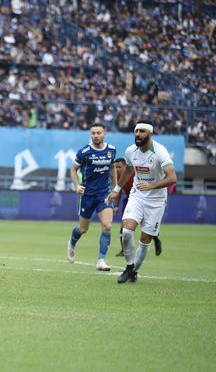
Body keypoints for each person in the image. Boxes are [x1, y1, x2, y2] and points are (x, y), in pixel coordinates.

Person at [106, 120, 177, 283]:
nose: (138, 134)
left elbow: (172, 178)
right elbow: (129, 169)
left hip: (157, 200)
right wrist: (116, 189)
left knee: (145, 240)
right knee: (126, 232)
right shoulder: (131, 151)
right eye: (136, 131)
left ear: (150, 134)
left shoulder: (160, 152)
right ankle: (129, 267)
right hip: (137, 196)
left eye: (142, 131)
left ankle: (134, 271)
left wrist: (152, 185)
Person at [67, 122, 117, 271]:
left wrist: (115, 187)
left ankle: (101, 260)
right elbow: (73, 169)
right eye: (93, 133)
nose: (96, 135)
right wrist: (76, 185)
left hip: (104, 194)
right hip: (87, 195)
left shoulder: (111, 150)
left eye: (99, 133)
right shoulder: (84, 152)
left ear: (104, 134)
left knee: (107, 226)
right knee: (83, 229)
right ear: (90, 135)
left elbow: (113, 167)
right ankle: (71, 243)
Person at [113, 158, 163, 257]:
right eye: (116, 167)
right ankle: (124, 250)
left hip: (143, 200)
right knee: (124, 225)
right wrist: (116, 205)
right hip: (129, 200)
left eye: (120, 167)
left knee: (146, 225)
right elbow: (118, 191)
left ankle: (156, 239)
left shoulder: (134, 174)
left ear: (125, 166)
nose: (117, 169)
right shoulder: (118, 177)